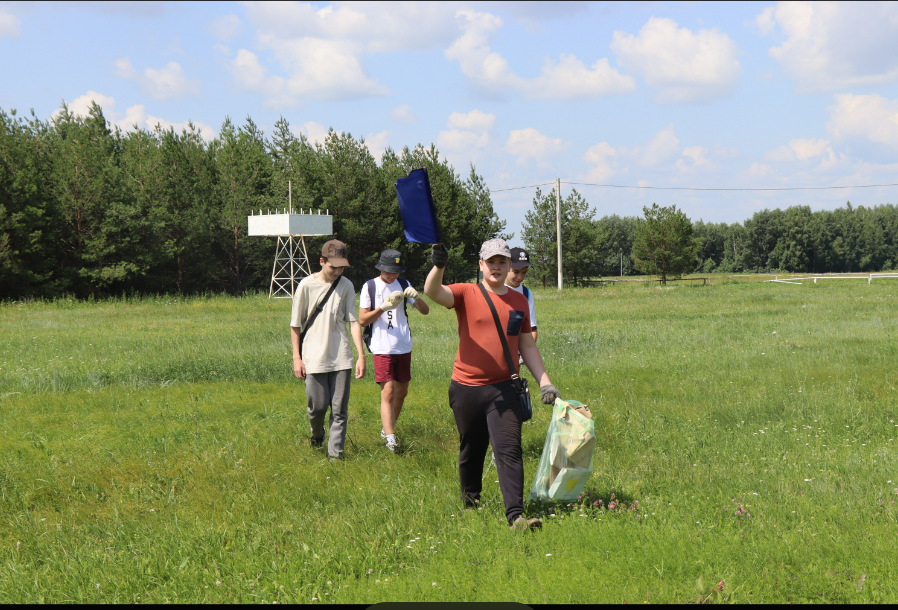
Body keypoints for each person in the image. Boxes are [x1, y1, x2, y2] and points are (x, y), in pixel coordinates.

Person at [424, 238, 561, 531]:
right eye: (491, 262)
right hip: (466, 388)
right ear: (481, 265)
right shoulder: (466, 292)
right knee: (472, 449)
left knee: (509, 450)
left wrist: (545, 382)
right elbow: (432, 292)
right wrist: (439, 265)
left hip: (504, 388)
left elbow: (527, 345)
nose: (496, 267)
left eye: (502, 262)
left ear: (509, 265)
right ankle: (471, 502)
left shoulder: (519, 301)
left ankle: (517, 516)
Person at [290, 239, 366, 461]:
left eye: (341, 267)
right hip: (313, 358)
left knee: (339, 410)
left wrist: (360, 356)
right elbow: (295, 325)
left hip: (341, 357)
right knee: (317, 407)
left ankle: (336, 458)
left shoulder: (347, 286)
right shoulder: (305, 286)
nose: (337, 271)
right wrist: (297, 358)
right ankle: (317, 434)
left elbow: (353, 322)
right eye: (333, 267)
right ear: (322, 261)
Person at [358, 249, 430, 453]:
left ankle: (387, 429)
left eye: (396, 271)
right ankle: (391, 440)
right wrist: (384, 307)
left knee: (402, 391)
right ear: (380, 267)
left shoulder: (404, 284)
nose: (392, 275)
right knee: (387, 391)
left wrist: (417, 297)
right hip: (381, 345)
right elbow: (363, 320)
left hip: (403, 344)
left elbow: (425, 311)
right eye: (389, 271)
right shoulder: (370, 286)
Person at [505, 247, 537, 344]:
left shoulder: (527, 294)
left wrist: (524, 356)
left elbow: (532, 329)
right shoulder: (494, 289)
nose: (520, 277)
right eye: (516, 272)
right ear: (507, 266)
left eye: (524, 272)